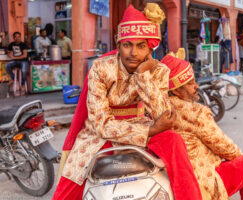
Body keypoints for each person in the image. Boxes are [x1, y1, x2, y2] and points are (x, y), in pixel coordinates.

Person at [52, 4, 202, 200]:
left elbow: (163, 115)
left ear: (150, 46)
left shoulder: (159, 71)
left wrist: (143, 76)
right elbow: (100, 123)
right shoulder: (100, 68)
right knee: (69, 186)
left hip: (142, 124)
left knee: (175, 142)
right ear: (118, 42)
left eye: (141, 46)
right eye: (127, 45)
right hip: (100, 135)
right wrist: (149, 131)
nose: (133, 53)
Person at [160, 52, 243, 200]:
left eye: (194, 81)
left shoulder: (158, 108)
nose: (196, 86)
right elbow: (226, 148)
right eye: (190, 84)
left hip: (172, 177)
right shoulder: (197, 112)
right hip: (200, 180)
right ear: (177, 91)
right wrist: (239, 158)